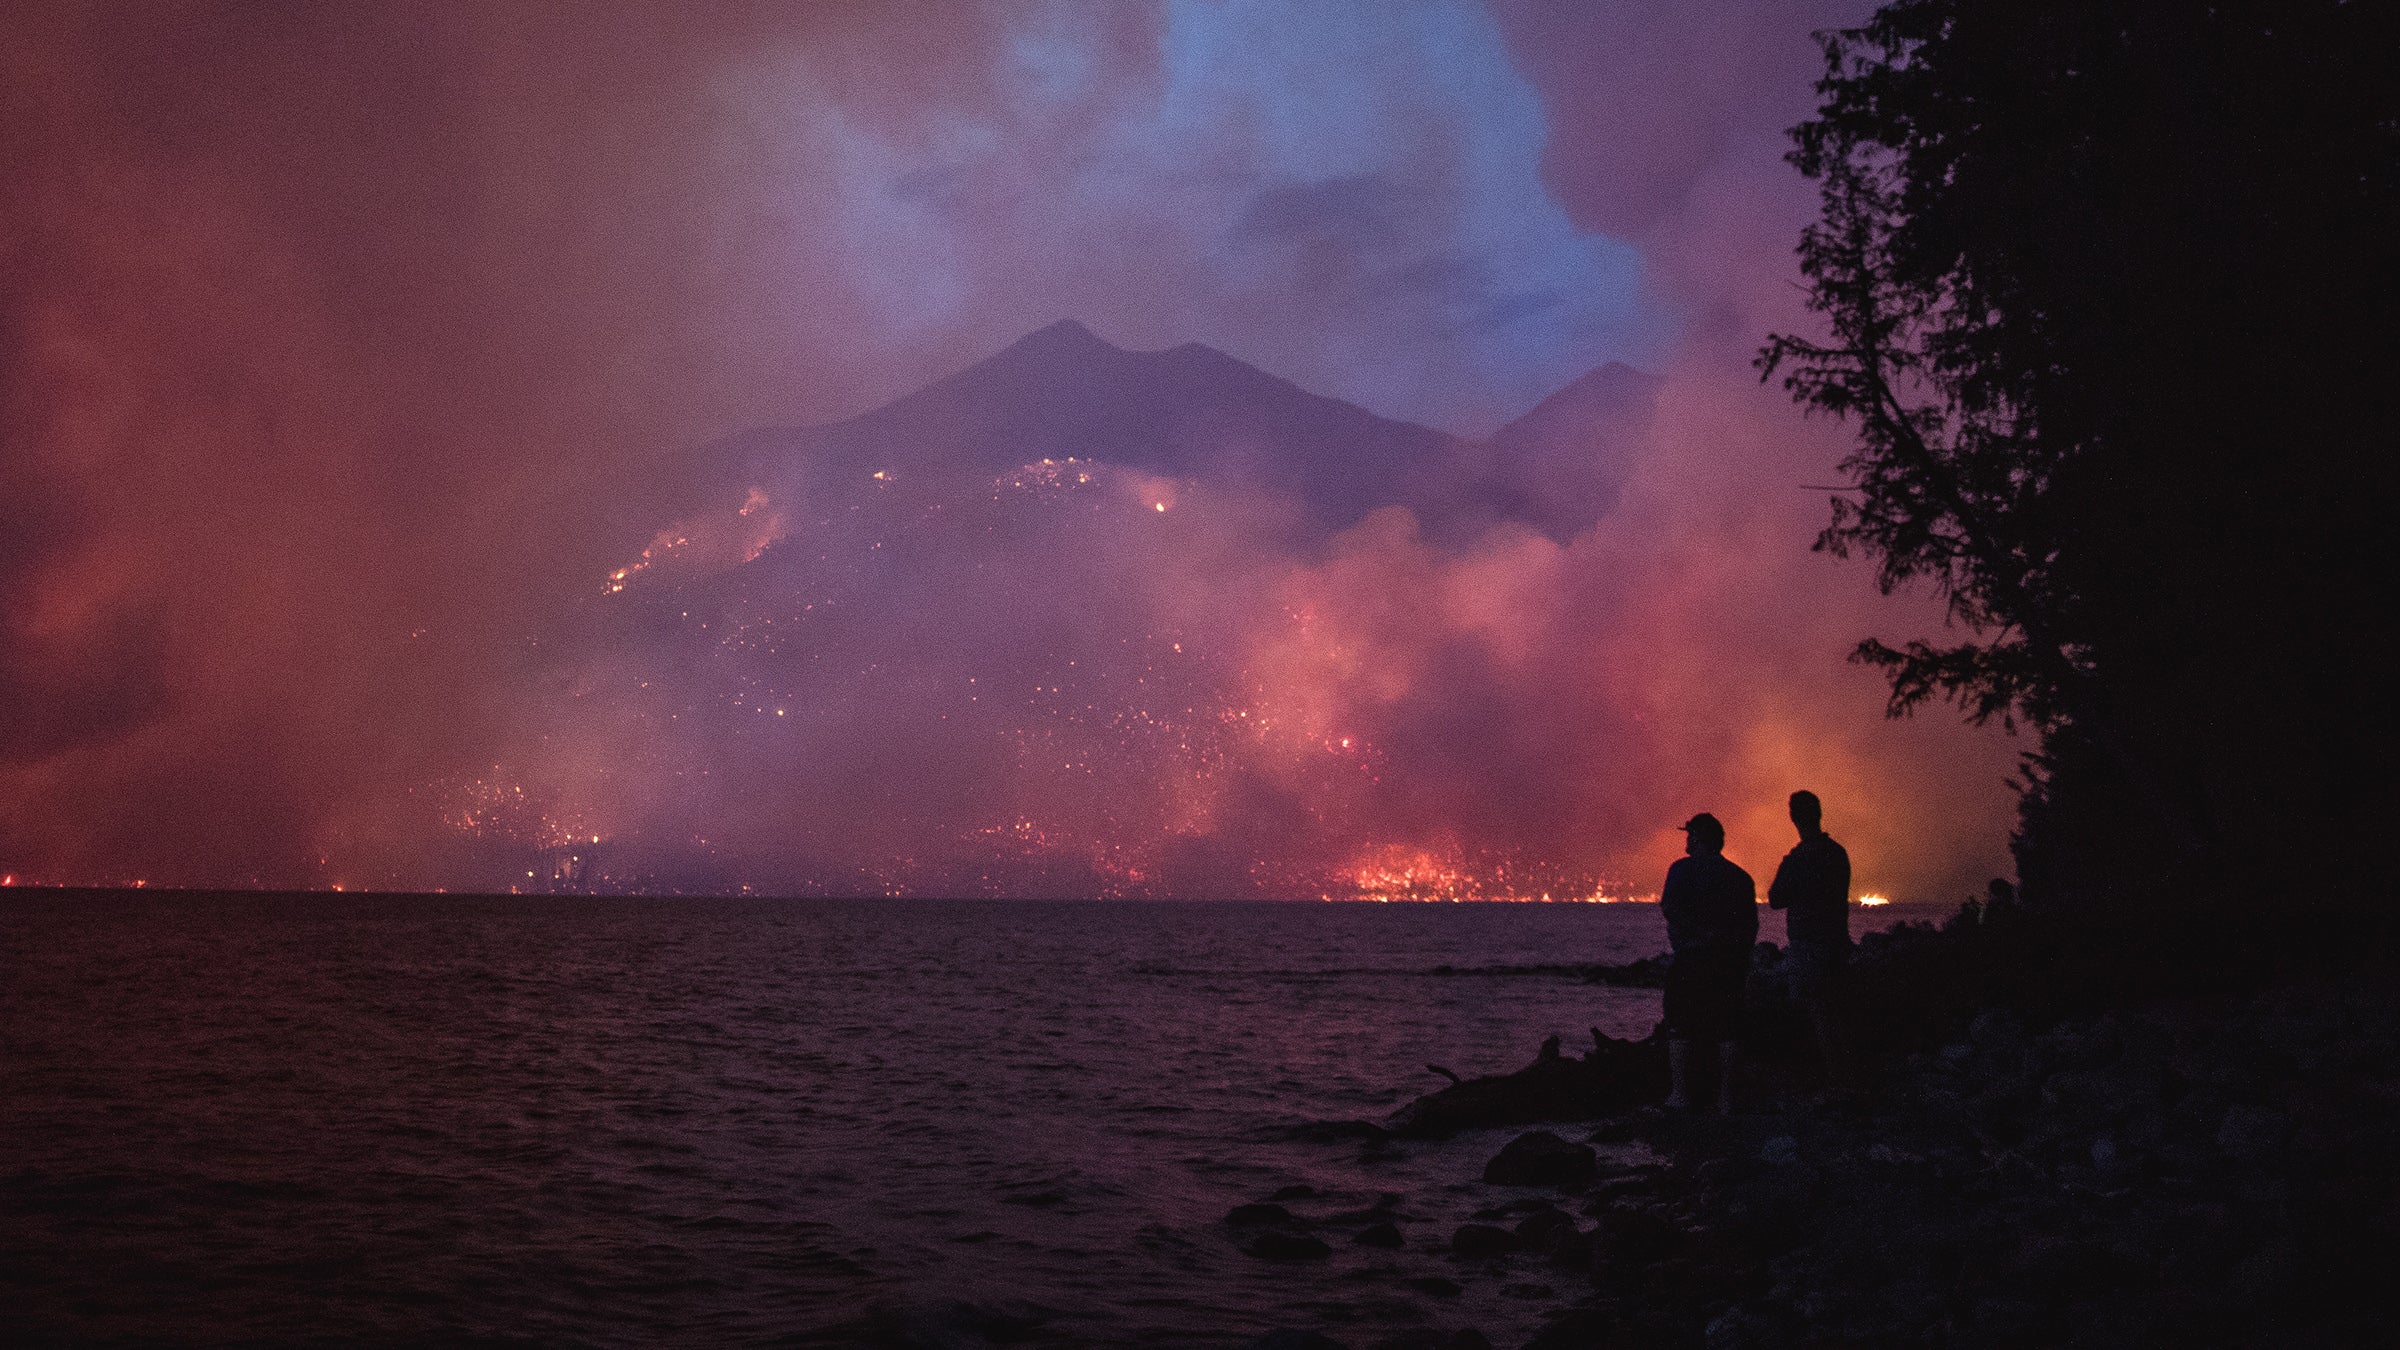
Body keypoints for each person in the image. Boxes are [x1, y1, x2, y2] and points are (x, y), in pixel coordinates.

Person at [1659, 813, 1756, 1113]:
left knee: (1680, 1025)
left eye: (1690, 835)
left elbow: (1670, 909)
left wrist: (1698, 934)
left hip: (1691, 959)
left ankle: (1681, 1095)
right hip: (1728, 962)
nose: (1686, 841)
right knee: (1728, 1027)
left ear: (1698, 839)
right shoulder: (1740, 877)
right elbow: (1750, 925)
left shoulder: (1681, 870)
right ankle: (1726, 1099)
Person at [1768, 789, 1852, 1087]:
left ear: (1793, 817)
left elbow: (1776, 898)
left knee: (1815, 1014)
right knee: (1837, 1014)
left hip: (1808, 946)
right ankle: (1844, 1081)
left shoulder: (1799, 858)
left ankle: (1831, 1085)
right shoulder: (1837, 853)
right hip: (1838, 943)